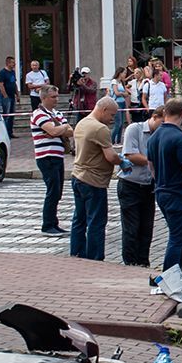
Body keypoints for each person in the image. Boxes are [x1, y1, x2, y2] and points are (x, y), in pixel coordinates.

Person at [149, 98, 182, 271]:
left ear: (165, 112)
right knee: (178, 237)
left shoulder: (154, 136)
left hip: (161, 191)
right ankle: (169, 275)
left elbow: (151, 166)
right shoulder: (180, 138)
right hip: (177, 193)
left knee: (181, 234)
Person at [69, 97, 120, 260]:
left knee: (79, 219)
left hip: (78, 175)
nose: (112, 119)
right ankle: (95, 258)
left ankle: (76, 253)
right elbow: (111, 156)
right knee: (96, 222)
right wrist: (122, 161)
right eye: (111, 115)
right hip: (94, 180)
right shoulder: (100, 129)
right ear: (103, 110)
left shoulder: (82, 123)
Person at [118, 107, 160, 267]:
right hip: (130, 184)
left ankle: (143, 262)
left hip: (148, 185)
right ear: (155, 117)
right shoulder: (134, 129)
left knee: (146, 227)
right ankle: (130, 263)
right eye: (162, 121)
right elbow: (131, 155)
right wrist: (156, 160)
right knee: (131, 227)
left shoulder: (159, 134)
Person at [30, 85, 74, 236]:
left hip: (57, 156)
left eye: (57, 96)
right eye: (53, 97)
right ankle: (48, 225)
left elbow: (70, 131)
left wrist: (59, 129)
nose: (57, 99)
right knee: (53, 191)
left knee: (58, 191)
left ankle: (53, 223)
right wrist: (61, 128)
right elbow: (54, 130)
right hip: (46, 156)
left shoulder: (56, 113)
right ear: (43, 98)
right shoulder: (38, 114)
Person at [0, 56, 20, 137]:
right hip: (6, 97)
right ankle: (5, 133)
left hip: (12, 96)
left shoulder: (12, 72)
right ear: (8, 63)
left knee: (11, 115)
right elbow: (1, 84)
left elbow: (14, 83)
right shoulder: (2, 72)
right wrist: (5, 96)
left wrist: (17, 94)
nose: (14, 64)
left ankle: (10, 132)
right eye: (13, 62)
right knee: (6, 115)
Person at [108, 67, 129, 143]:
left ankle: (119, 141)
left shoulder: (122, 82)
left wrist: (122, 94)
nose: (125, 74)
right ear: (120, 73)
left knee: (122, 123)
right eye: (124, 73)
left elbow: (126, 93)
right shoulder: (114, 81)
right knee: (118, 123)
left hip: (122, 102)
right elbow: (116, 92)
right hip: (117, 103)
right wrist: (123, 94)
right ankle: (112, 140)